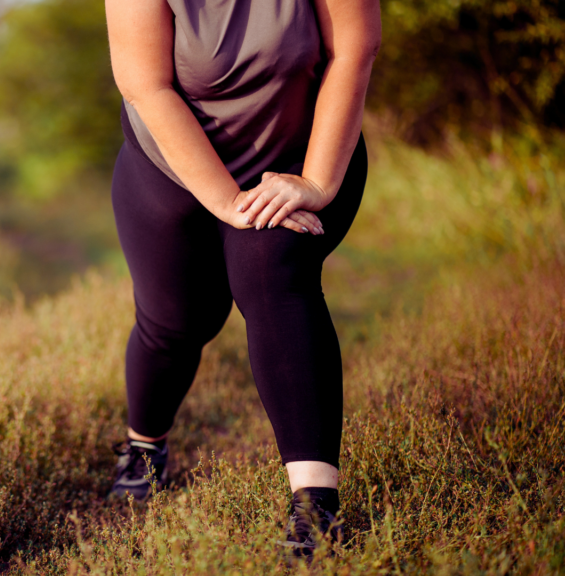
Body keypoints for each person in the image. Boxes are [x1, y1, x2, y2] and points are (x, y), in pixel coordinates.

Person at [104, 0, 382, 558]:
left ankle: (314, 508)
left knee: (272, 270)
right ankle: (144, 447)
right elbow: (146, 86)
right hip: (172, 169)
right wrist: (226, 200)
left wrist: (318, 183)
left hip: (300, 163)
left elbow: (353, 50)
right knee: (178, 323)